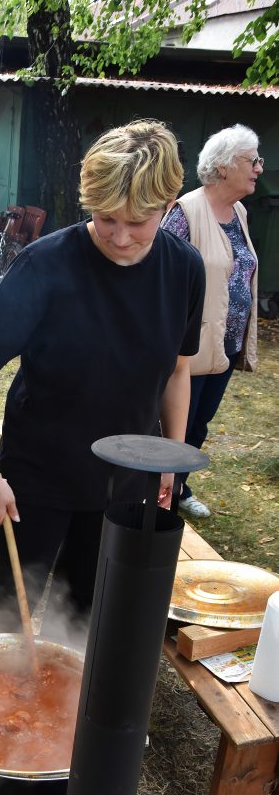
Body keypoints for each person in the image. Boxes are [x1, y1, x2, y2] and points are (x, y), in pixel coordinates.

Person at [0, 120, 204, 640]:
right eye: (106, 218)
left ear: (169, 204)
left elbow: (178, 368)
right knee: (7, 607)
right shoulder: (46, 265)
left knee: (85, 613)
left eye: (138, 222)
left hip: (126, 479)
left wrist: (170, 460)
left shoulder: (184, 269)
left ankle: (65, 716)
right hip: (37, 478)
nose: (119, 236)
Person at [161, 124, 260, 519]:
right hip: (190, 345)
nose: (259, 168)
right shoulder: (185, 212)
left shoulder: (239, 212)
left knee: (199, 423)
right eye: (251, 160)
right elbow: (163, 273)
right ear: (223, 166)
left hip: (225, 342)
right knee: (175, 422)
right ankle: (158, 485)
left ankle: (180, 487)